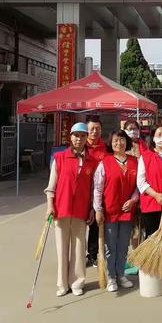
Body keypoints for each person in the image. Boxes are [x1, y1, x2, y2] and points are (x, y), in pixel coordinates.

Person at [44, 122, 96, 296]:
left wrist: (92, 209)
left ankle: (77, 282)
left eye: (82, 136)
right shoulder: (59, 158)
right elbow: (51, 187)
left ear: (86, 138)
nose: (79, 139)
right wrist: (50, 206)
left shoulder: (92, 161)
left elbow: (93, 189)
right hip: (61, 209)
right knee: (62, 247)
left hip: (81, 211)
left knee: (79, 248)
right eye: (76, 135)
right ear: (70, 137)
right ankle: (62, 284)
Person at [93, 130, 139, 292]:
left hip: (127, 211)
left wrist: (133, 200)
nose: (118, 143)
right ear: (110, 144)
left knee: (123, 245)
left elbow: (138, 186)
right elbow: (98, 189)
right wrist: (98, 209)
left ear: (126, 142)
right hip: (110, 210)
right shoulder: (104, 163)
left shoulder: (135, 162)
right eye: (115, 141)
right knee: (110, 246)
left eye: (121, 140)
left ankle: (121, 274)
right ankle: (111, 276)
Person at [85, 116, 107, 268]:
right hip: (82, 191)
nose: (94, 131)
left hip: (99, 192)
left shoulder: (106, 148)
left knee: (95, 225)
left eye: (97, 128)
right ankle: (79, 256)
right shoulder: (80, 146)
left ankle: (93, 255)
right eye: (91, 128)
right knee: (80, 225)